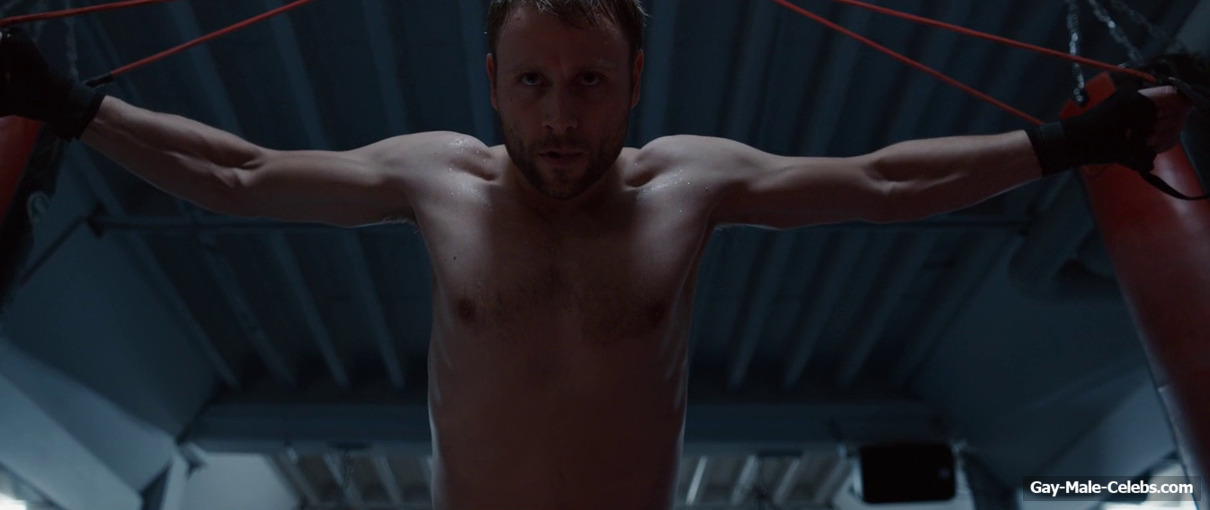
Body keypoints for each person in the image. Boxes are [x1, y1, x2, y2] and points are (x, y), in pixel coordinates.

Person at [0, 1, 1195, 508]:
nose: (560, 118)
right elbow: (244, 174)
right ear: (493, 84)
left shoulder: (692, 182)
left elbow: (884, 183)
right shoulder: (438, 179)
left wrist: (1066, 144)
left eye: (588, 83)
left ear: (634, 81)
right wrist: (73, 107)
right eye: (533, 84)